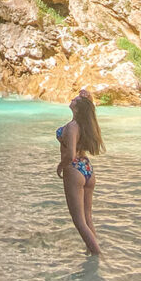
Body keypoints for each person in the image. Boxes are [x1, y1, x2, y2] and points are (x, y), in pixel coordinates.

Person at [56, 89, 105, 255]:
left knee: (79, 221)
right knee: (88, 217)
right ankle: (91, 252)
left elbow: (70, 154)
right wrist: (88, 98)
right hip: (87, 168)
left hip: (74, 169)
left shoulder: (72, 127)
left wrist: (60, 166)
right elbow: (89, 111)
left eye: (75, 100)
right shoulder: (84, 125)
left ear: (78, 108)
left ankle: (98, 256)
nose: (72, 99)